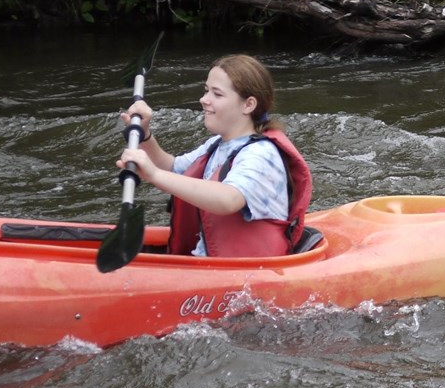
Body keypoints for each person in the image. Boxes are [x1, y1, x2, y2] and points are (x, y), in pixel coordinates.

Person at [116, 54, 313, 258]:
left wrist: (153, 174)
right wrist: (145, 135)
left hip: (247, 275)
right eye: (206, 91)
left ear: (248, 105)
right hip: (209, 262)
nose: (204, 100)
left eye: (217, 94)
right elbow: (172, 169)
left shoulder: (261, 155)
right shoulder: (219, 144)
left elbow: (228, 199)